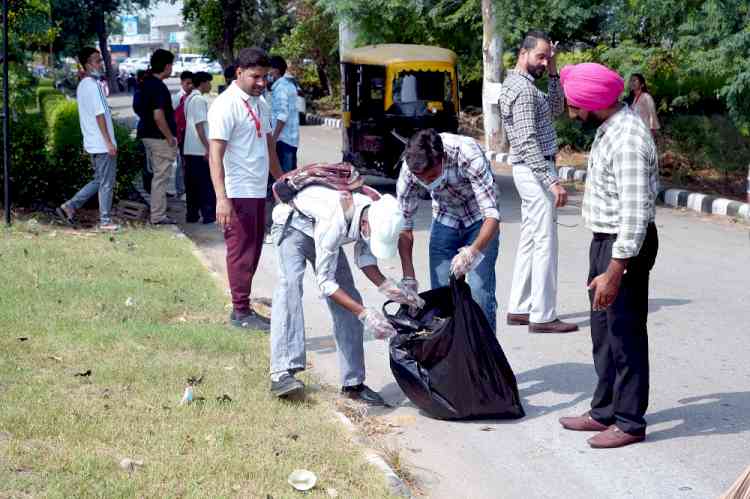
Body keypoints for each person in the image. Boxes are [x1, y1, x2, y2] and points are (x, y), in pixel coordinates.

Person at [558, 62, 659, 449]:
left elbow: (635, 212)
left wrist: (616, 268)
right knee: (602, 332)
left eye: (575, 106)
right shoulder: (610, 129)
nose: (573, 113)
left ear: (594, 103)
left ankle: (630, 421)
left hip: (625, 247)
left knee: (624, 333)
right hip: (607, 242)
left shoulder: (629, 139)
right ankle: (604, 411)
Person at [269, 188, 420, 401]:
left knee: (350, 300)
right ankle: (282, 373)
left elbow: (365, 258)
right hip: (293, 226)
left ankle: (353, 385)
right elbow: (325, 283)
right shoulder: (335, 221)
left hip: (322, 232)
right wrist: (365, 314)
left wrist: (389, 288)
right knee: (289, 289)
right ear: (366, 225)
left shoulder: (374, 211)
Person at [499, 30, 578, 334]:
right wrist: (551, 181)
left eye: (548, 56)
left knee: (532, 238)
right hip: (534, 170)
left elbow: (557, 108)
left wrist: (555, 70)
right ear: (523, 53)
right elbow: (528, 140)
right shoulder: (520, 89)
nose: (544, 62)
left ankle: (519, 308)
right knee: (546, 242)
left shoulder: (528, 86)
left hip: (532, 170)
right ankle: (543, 315)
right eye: (540, 56)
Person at [207, 47, 284, 330]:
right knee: (240, 252)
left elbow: (269, 146)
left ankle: (245, 308)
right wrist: (221, 199)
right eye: (256, 77)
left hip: (257, 190)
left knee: (254, 252)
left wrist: (283, 180)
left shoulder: (260, 103)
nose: (262, 83)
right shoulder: (225, 105)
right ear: (238, 73)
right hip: (237, 192)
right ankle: (240, 312)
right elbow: (214, 155)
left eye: (265, 77)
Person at [397, 129, 501, 332]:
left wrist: (472, 252)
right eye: (422, 179)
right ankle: (453, 357)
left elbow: (492, 215)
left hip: (480, 220)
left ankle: (486, 358)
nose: (428, 182)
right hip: (445, 219)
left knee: (480, 292)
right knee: (442, 294)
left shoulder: (467, 153)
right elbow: (405, 225)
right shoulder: (409, 170)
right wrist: (408, 276)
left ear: (442, 158)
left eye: (432, 176)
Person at [57, 47, 120, 232]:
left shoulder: (83, 85)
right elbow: (100, 115)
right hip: (101, 144)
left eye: (100, 60)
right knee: (106, 183)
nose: (99, 64)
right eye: (96, 60)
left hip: (93, 143)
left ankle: (71, 205)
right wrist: (109, 143)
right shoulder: (93, 86)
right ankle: (105, 221)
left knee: (99, 180)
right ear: (86, 64)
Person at [135, 49, 178, 225]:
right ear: (167, 66)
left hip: (145, 133)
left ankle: (158, 210)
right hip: (159, 137)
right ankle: (158, 215)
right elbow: (158, 116)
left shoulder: (144, 83)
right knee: (161, 177)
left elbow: (137, 108)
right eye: (171, 65)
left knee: (156, 176)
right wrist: (169, 137)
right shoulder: (158, 87)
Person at [183, 71, 216, 224]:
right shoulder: (199, 100)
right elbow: (200, 126)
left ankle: (192, 215)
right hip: (199, 149)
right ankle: (208, 215)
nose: (210, 85)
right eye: (209, 82)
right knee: (205, 185)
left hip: (189, 148)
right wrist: (208, 148)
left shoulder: (189, 99)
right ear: (202, 83)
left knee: (192, 185)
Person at [268, 55, 299, 173]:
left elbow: (282, 116)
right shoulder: (288, 85)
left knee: (285, 178)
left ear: (275, 70)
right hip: (290, 138)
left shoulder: (281, 88)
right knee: (290, 176)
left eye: (269, 69)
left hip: (283, 139)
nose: (267, 73)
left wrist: (273, 138)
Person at [172, 70, 196, 199]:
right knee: (181, 163)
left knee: (188, 163)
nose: (190, 86)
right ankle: (180, 190)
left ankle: (188, 189)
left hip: (190, 135)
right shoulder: (177, 98)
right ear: (181, 83)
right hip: (180, 135)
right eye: (187, 83)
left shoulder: (192, 97)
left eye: (192, 83)